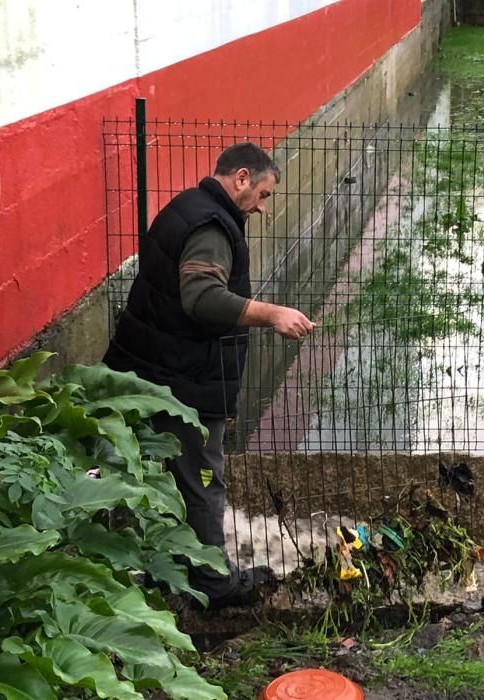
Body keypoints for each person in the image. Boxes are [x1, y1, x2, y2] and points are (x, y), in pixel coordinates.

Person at [104, 142, 317, 608]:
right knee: (202, 477)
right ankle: (210, 581)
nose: (262, 207)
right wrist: (272, 313)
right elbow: (200, 297)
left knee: (170, 474)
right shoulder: (212, 227)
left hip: (153, 365)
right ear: (241, 178)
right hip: (183, 379)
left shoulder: (187, 205)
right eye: (262, 194)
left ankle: (173, 566)